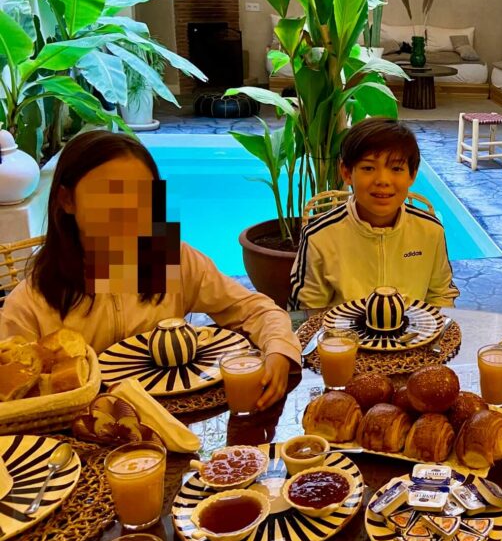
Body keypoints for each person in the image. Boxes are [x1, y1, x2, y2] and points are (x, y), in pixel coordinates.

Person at [0, 131, 300, 411]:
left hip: (171, 419)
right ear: (67, 200)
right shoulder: (32, 303)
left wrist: (278, 349)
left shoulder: (170, 259)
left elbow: (254, 309)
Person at [289, 118, 459, 310]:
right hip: (341, 329)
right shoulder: (319, 236)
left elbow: (441, 295)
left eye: (396, 168)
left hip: (414, 329)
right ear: (346, 172)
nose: (383, 180)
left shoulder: (430, 231)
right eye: (368, 168)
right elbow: (307, 310)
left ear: (412, 175)